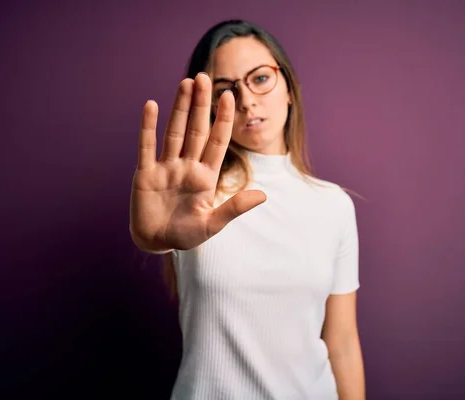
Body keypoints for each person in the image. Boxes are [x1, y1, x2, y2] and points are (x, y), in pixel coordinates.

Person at [129, 19, 365, 400]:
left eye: (259, 78)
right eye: (225, 90)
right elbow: (162, 236)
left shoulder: (334, 206)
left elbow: (342, 344)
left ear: (289, 87)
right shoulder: (193, 198)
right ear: (209, 110)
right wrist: (152, 239)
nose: (246, 100)